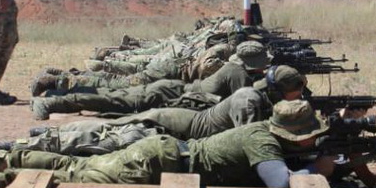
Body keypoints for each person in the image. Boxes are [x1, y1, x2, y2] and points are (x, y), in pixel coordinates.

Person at [0, 100, 355, 188]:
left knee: (78, 165)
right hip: (158, 163)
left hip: (165, 156)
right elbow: (281, 186)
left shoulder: (265, 136)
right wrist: (320, 170)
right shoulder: (263, 142)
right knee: (77, 176)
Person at [7, 65, 307, 156]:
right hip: (173, 123)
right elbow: (249, 140)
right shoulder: (248, 98)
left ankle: (47, 134)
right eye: (298, 92)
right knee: (113, 122)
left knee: (113, 121)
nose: (302, 96)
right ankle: (49, 118)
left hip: (181, 116)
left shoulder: (255, 95)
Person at [30, 40, 269, 120]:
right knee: (113, 96)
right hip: (170, 92)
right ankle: (54, 96)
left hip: (174, 89)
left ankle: (58, 86)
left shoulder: (236, 70)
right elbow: (246, 105)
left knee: (114, 92)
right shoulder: (235, 72)